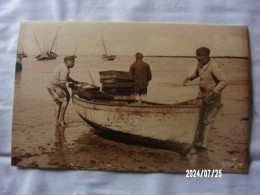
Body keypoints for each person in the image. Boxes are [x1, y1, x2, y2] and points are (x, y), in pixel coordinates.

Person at [183, 47, 227, 149]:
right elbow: (197, 74)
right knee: (200, 118)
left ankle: (204, 144)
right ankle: (198, 140)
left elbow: (224, 81)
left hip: (213, 97)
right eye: (197, 57)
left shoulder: (214, 66)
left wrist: (214, 92)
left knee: (209, 120)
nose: (197, 59)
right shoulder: (200, 64)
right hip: (202, 96)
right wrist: (189, 78)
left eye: (200, 58)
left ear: (207, 57)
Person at [47, 55, 77, 127]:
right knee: (66, 99)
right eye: (72, 62)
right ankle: (61, 120)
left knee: (58, 102)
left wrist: (74, 81)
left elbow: (66, 77)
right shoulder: (65, 69)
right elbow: (62, 84)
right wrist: (67, 93)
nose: (74, 63)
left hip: (50, 86)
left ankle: (57, 121)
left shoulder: (62, 66)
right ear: (67, 61)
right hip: (55, 87)